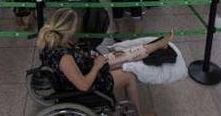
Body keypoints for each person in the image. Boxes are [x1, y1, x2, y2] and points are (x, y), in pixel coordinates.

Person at [37, 8, 168, 116]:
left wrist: (89, 58)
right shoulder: (64, 57)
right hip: (89, 84)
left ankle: (154, 46)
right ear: (69, 29)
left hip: (86, 67)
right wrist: (96, 66)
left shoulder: (50, 43)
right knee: (129, 75)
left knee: (124, 58)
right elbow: (83, 86)